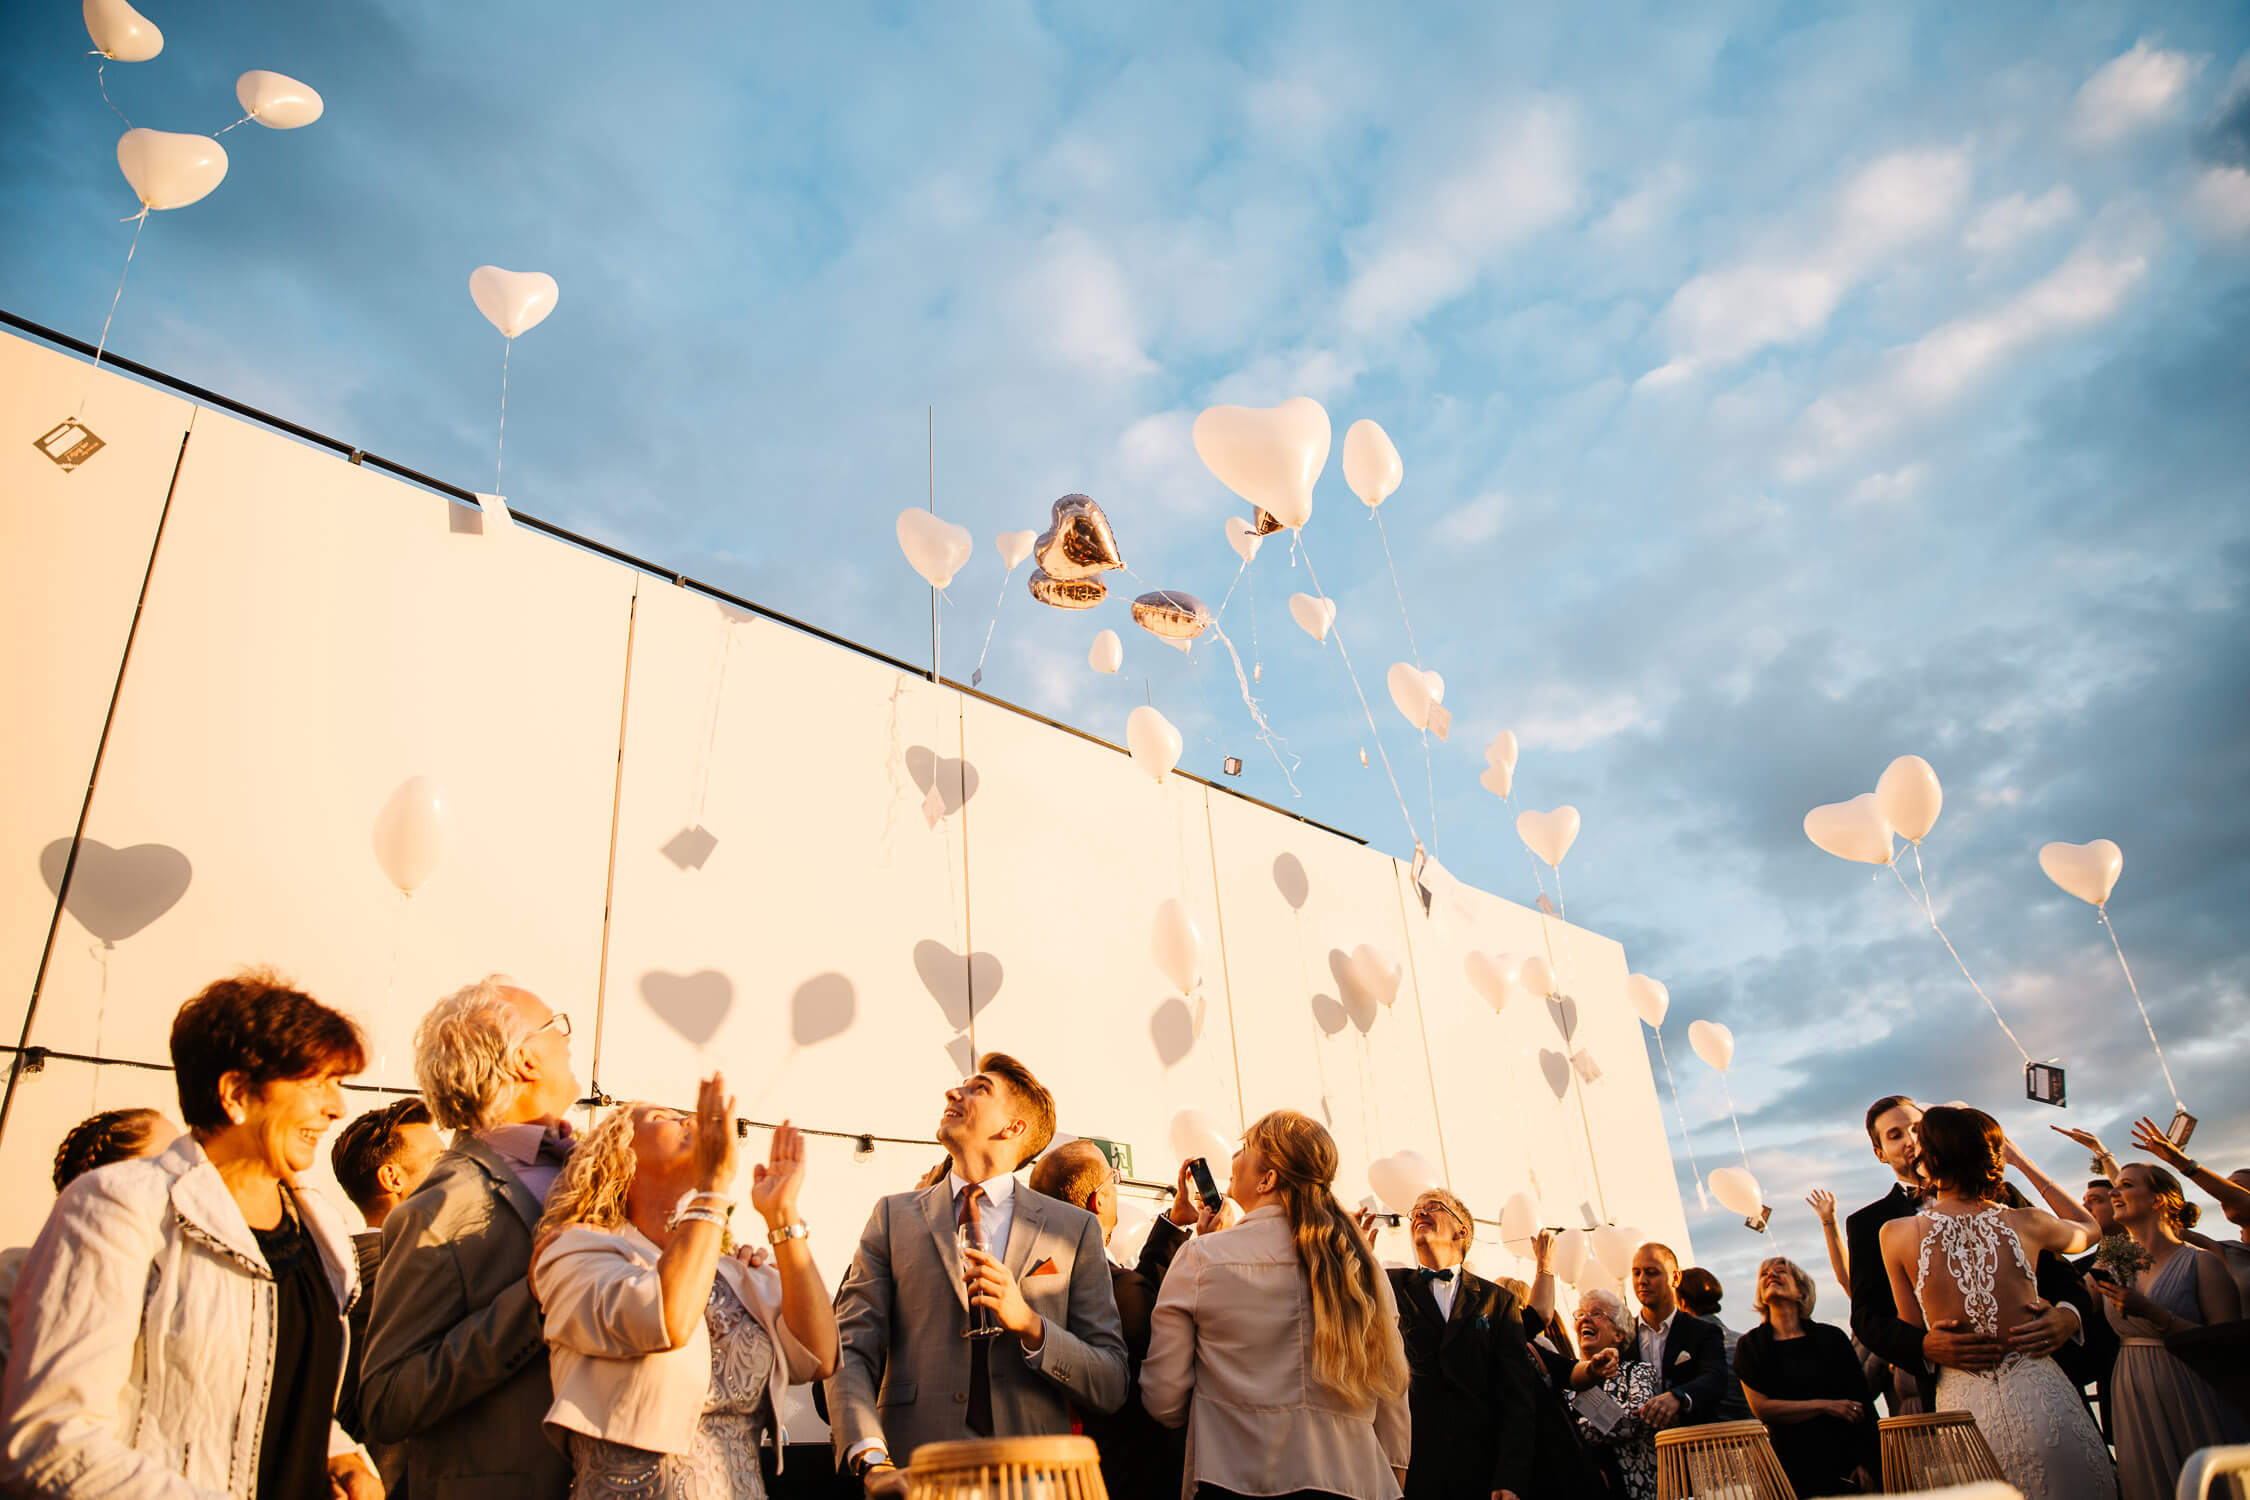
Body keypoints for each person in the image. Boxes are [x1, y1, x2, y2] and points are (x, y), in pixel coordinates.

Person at [0, 970, 379, 1498]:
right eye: (315, 1082)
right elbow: (50, 1441)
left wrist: (337, 1452)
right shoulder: (121, 1206)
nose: (338, 1106)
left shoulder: (320, 1232)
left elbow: (259, 1396)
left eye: (339, 1084)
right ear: (237, 1093)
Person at [827, 1054, 1126, 1494]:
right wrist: (873, 1461)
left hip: (1035, 1480)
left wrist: (1029, 1324)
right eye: (958, 1086)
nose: (953, 1093)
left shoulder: (1073, 1228)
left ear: (1013, 1128)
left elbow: (1112, 1379)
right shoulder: (892, 1217)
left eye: (978, 1089)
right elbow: (849, 1348)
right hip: (918, 1476)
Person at [533, 1075, 839, 1499]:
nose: (691, 1121)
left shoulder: (733, 1269)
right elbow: (664, 1320)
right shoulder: (579, 1250)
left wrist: (782, 1215)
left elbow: (818, 1358)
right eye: (664, 1118)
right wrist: (713, 1186)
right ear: (622, 1158)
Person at [361, 975, 583, 1500]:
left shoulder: (597, 1169)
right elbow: (386, 1401)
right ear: (524, 1061)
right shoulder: (440, 1207)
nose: (568, 1039)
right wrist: (530, 1302)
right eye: (556, 1027)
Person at [1142, 1109, 1409, 1500]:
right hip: (1356, 1481)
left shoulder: (1200, 1259)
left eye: (1245, 1148)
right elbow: (1393, 1395)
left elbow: (1163, 1400)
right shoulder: (1363, 1267)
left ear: (1267, 1179)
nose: (1232, 1160)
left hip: (1236, 1478)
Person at [1877, 1105, 2114, 1499]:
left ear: (1929, 1161)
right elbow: (2091, 1228)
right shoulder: (2028, 1222)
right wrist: (2026, 1165)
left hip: (1967, 1411)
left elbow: (1912, 1329)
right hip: (2044, 1399)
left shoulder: (1896, 1234)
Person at [1848, 1095, 2092, 1414]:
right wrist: (1922, 1345)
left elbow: (2063, 1277)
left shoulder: (2002, 1198)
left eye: (1918, 1128)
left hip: (2043, 1381)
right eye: (1895, 1135)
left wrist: (2068, 1317)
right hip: (1954, 1395)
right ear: (1880, 1153)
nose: (1911, 1139)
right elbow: (1867, 1317)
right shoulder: (1870, 1224)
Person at [1026, 1144, 1194, 1500]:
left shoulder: (1035, 1281)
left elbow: (1130, 1283)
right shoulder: (1122, 1293)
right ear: (1099, 1200)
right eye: (1113, 1180)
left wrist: (1173, 1223)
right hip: (1129, 1477)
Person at [2091, 1160, 2247, 1500]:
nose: (2114, 1192)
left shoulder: (2200, 1262)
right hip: (2131, 1391)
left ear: (2158, 1200)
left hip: (2191, 1389)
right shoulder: (2110, 1263)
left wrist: (2155, 1314)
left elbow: (2227, 1350)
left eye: (2127, 1185)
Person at [1380, 1187, 1537, 1500]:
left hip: (1480, 1472)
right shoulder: (1387, 1285)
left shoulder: (1498, 1301)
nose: (1419, 1214)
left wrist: (1510, 1476)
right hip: (1411, 1472)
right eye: (1415, 1211)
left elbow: (1516, 1396)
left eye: (1433, 1207)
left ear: (1461, 1230)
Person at [0, 1107, 180, 1377]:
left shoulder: (175, 1291)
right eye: (167, 1169)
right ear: (108, 1184)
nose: (188, 1181)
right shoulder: (16, 1279)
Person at [331, 1095, 444, 1494]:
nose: (455, 1174)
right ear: (392, 1178)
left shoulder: (344, 1262)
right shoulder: (396, 1270)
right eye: (439, 1162)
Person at [1732, 1256, 1876, 1496]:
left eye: (1781, 1271)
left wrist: (1867, 1462)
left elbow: (1861, 1402)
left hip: (1842, 1461)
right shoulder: (1751, 1345)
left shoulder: (1832, 1338)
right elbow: (1762, 1408)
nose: (1771, 1275)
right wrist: (1825, 1406)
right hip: (1786, 1466)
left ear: (1801, 1292)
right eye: (1764, 1274)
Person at [2123, 1117, 2250, 1306]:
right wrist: (2105, 1158)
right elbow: (2143, 1215)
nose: (2222, 1198)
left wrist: (2179, 1160)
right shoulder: (2222, 1251)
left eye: (2233, 1188)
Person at [1567, 1288, 1660, 1500]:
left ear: (1619, 1334)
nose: (1584, 1320)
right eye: (1581, 1314)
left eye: (1596, 1313)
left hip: (1631, 1490)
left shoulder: (1637, 1372)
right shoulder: (1567, 1380)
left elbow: (1632, 1420)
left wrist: (1575, 1429)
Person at [1623, 1243, 1725, 1428]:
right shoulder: (1622, 1336)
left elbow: (1715, 1379)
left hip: (1690, 1442)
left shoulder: (1703, 1332)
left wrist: (1678, 1397)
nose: (1642, 1280)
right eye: (1636, 1273)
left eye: (1652, 1272)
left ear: (1676, 1277)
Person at [1674, 1267, 1750, 1421]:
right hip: (1751, 1435)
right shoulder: (1744, 1342)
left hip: (1705, 1438)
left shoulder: (1682, 1348)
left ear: (1681, 1302)